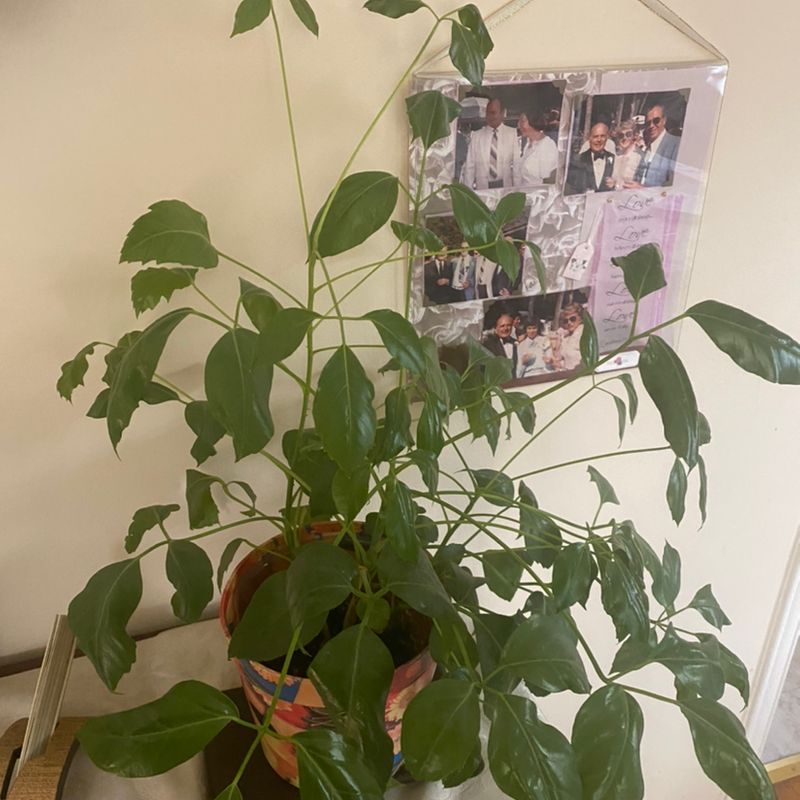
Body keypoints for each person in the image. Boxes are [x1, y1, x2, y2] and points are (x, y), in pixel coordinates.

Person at [460, 98, 518, 190]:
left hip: (506, 188)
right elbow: (470, 167)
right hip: (483, 189)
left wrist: (517, 191)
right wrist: (468, 193)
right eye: (487, 113)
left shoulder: (512, 133)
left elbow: (517, 166)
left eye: (493, 113)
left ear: (502, 113)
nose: (489, 116)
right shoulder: (476, 136)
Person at [625, 103, 680, 189]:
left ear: (664, 120)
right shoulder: (648, 146)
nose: (651, 126)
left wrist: (642, 189)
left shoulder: (676, 144)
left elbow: (674, 184)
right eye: (648, 123)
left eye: (656, 121)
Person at [565, 123, 615, 195]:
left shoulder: (613, 159)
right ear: (590, 138)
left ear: (607, 138)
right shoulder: (577, 160)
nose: (599, 140)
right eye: (595, 136)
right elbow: (570, 187)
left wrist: (614, 184)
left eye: (602, 136)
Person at [515, 110, 558, 187]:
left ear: (533, 122)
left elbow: (547, 181)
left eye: (522, 121)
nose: (518, 125)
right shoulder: (528, 143)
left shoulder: (547, 145)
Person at [608, 120, 643, 190]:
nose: (624, 138)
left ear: (634, 136)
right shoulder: (616, 156)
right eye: (621, 135)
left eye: (628, 134)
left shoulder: (639, 157)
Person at [550, 303, 585, 371]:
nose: (569, 322)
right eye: (566, 321)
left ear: (580, 318)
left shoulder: (583, 332)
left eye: (573, 319)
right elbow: (559, 358)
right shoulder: (566, 337)